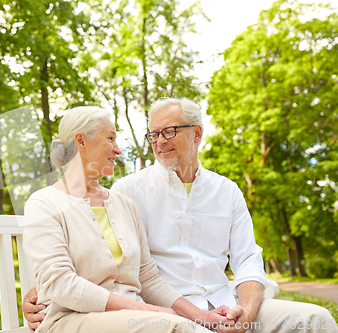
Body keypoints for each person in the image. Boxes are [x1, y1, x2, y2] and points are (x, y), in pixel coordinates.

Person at [24, 98, 338, 333]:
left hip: (212, 304)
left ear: (197, 133)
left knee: (317, 319)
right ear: (80, 140)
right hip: (150, 315)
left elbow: (245, 260)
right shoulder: (126, 189)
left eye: (169, 131)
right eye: (153, 134)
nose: (158, 142)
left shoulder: (222, 191)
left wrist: (245, 312)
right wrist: (40, 292)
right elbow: (62, 276)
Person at [22, 106, 233, 333]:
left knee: (181, 325)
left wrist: (201, 316)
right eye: (110, 138)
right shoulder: (44, 204)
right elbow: (60, 283)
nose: (118, 150)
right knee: (174, 327)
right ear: (81, 141)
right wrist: (148, 311)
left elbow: (148, 278)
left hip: (133, 320)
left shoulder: (124, 204)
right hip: (71, 320)